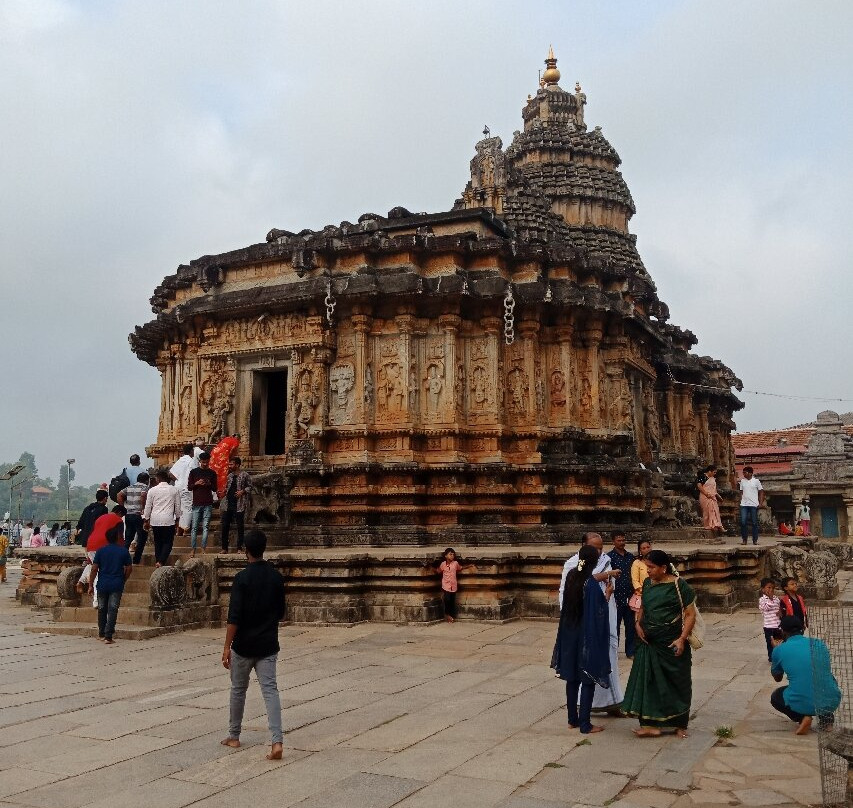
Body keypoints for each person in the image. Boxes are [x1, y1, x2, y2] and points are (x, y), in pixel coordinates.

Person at [221, 530, 285, 761]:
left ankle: (234, 735)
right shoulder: (276, 577)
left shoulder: (242, 579)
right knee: (270, 691)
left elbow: (234, 618)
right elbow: (281, 613)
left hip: (243, 645)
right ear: (264, 549)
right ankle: (277, 741)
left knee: (238, 690)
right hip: (268, 643)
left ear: (246, 550)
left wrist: (226, 646)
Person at [623, 549, 697, 738]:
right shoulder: (648, 583)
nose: (648, 570)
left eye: (651, 567)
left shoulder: (679, 585)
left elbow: (690, 614)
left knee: (677, 683)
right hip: (649, 641)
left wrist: (682, 638)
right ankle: (650, 725)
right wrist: (638, 623)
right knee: (649, 681)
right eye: (646, 566)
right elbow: (644, 606)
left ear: (664, 568)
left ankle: (679, 724)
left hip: (671, 642)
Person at [559, 532, 624, 715]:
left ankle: (611, 702)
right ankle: (584, 714)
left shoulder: (602, 562)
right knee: (588, 668)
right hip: (587, 622)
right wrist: (607, 585)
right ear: (584, 547)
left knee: (606, 659)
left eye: (601, 548)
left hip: (599, 620)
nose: (599, 552)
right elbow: (569, 593)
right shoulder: (573, 567)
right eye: (595, 549)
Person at [551, 543, 613, 734]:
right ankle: (585, 724)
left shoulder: (572, 576)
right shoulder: (591, 584)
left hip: (570, 632)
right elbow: (598, 612)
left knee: (572, 678)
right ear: (594, 562)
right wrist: (607, 595)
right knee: (587, 678)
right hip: (586, 635)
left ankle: (572, 719)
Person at [770, 616, 841, 735]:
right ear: (803, 628)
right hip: (832, 699)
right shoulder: (819, 643)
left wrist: (776, 651)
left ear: (783, 632)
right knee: (823, 681)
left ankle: (802, 718)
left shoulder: (779, 650)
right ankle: (827, 721)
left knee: (776, 696)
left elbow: (778, 678)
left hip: (803, 702)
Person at [88, 518, 132, 644]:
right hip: (117, 583)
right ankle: (108, 636)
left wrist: (90, 584)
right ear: (117, 537)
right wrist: (124, 579)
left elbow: (94, 568)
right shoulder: (123, 551)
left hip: (102, 583)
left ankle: (101, 633)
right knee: (113, 609)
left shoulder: (101, 551)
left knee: (102, 608)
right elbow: (129, 568)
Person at [142, 470, 181, 567]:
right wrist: (177, 519)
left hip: (155, 520)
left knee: (158, 542)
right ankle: (161, 561)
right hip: (168, 519)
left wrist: (146, 519)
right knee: (168, 542)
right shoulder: (174, 490)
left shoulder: (152, 490)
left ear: (157, 479)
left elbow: (148, 506)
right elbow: (177, 506)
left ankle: (158, 560)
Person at [607, 531, 636, 658]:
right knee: (615, 626)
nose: (622, 542)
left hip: (630, 595)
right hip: (616, 597)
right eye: (619, 540)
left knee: (631, 626)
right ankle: (613, 652)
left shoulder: (631, 557)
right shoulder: (609, 557)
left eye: (623, 540)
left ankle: (631, 651)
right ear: (613, 541)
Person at [432, 548, 476, 623]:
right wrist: (430, 568)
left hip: (453, 586)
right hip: (446, 585)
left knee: (452, 601)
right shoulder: (443, 564)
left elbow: (461, 568)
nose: (452, 556)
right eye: (450, 554)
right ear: (446, 556)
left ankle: (450, 616)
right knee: (447, 600)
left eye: (453, 554)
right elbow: (438, 571)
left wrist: (469, 565)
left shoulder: (455, 563)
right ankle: (447, 615)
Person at [188, 452, 218, 556]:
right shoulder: (193, 472)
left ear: (209, 461)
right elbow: (189, 487)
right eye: (203, 462)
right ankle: (193, 549)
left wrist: (209, 483)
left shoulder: (212, 473)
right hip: (197, 502)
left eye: (206, 462)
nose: (205, 464)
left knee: (205, 527)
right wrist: (196, 483)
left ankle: (203, 548)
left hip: (208, 502)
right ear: (199, 461)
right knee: (194, 527)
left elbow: (215, 488)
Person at [220, 457, 251, 553]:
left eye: (231, 464)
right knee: (225, 526)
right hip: (228, 503)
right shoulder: (229, 476)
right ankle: (224, 548)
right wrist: (224, 491)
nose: (230, 466)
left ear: (237, 465)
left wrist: (242, 491)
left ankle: (239, 547)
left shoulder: (245, 475)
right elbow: (227, 487)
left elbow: (250, 487)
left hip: (239, 503)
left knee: (240, 526)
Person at [119, 472, 149, 564]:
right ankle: (136, 559)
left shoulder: (130, 487)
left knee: (128, 538)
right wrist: (143, 508)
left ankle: (123, 558)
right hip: (139, 515)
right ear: (146, 480)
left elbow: (119, 495)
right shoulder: (145, 487)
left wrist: (123, 508)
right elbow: (143, 495)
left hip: (129, 514)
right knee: (142, 538)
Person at [169, 443, 198, 537]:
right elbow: (196, 474)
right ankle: (186, 529)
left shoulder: (180, 460)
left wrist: (178, 480)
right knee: (188, 508)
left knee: (179, 508)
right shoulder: (192, 461)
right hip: (187, 487)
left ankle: (179, 530)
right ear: (191, 451)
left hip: (178, 487)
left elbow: (171, 474)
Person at [737, 466, 764, 545]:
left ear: (750, 473)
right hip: (744, 504)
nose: (743, 474)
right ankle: (744, 540)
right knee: (743, 522)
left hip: (753, 504)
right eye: (743, 473)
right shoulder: (742, 481)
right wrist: (740, 500)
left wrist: (760, 503)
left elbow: (761, 492)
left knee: (754, 522)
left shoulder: (756, 481)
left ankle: (755, 540)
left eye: (745, 473)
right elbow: (741, 492)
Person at [758, 578, 781, 661]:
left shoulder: (776, 598)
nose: (771, 590)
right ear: (763, 589)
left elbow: (778, 606)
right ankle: (771, 657)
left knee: (778, 641)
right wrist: (770, 599)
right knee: (770, 642)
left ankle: (778, 656)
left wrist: (780, 611)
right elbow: (766, 608)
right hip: (769, 626)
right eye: (769, 587)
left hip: (777, 625)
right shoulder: (762, 600)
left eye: (773, 588)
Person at [697, 465, 723, 532]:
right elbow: (699, 486)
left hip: (712, 497)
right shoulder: (702, 477)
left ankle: (716, 525)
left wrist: (718, 496)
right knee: (707, 511)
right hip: (704, 496)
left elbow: (714, 490)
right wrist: (706, 494)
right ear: (709, 471)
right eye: (714, 472)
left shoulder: (712, 479)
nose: (715, 474)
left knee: (714, 511)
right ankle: (708, 525)